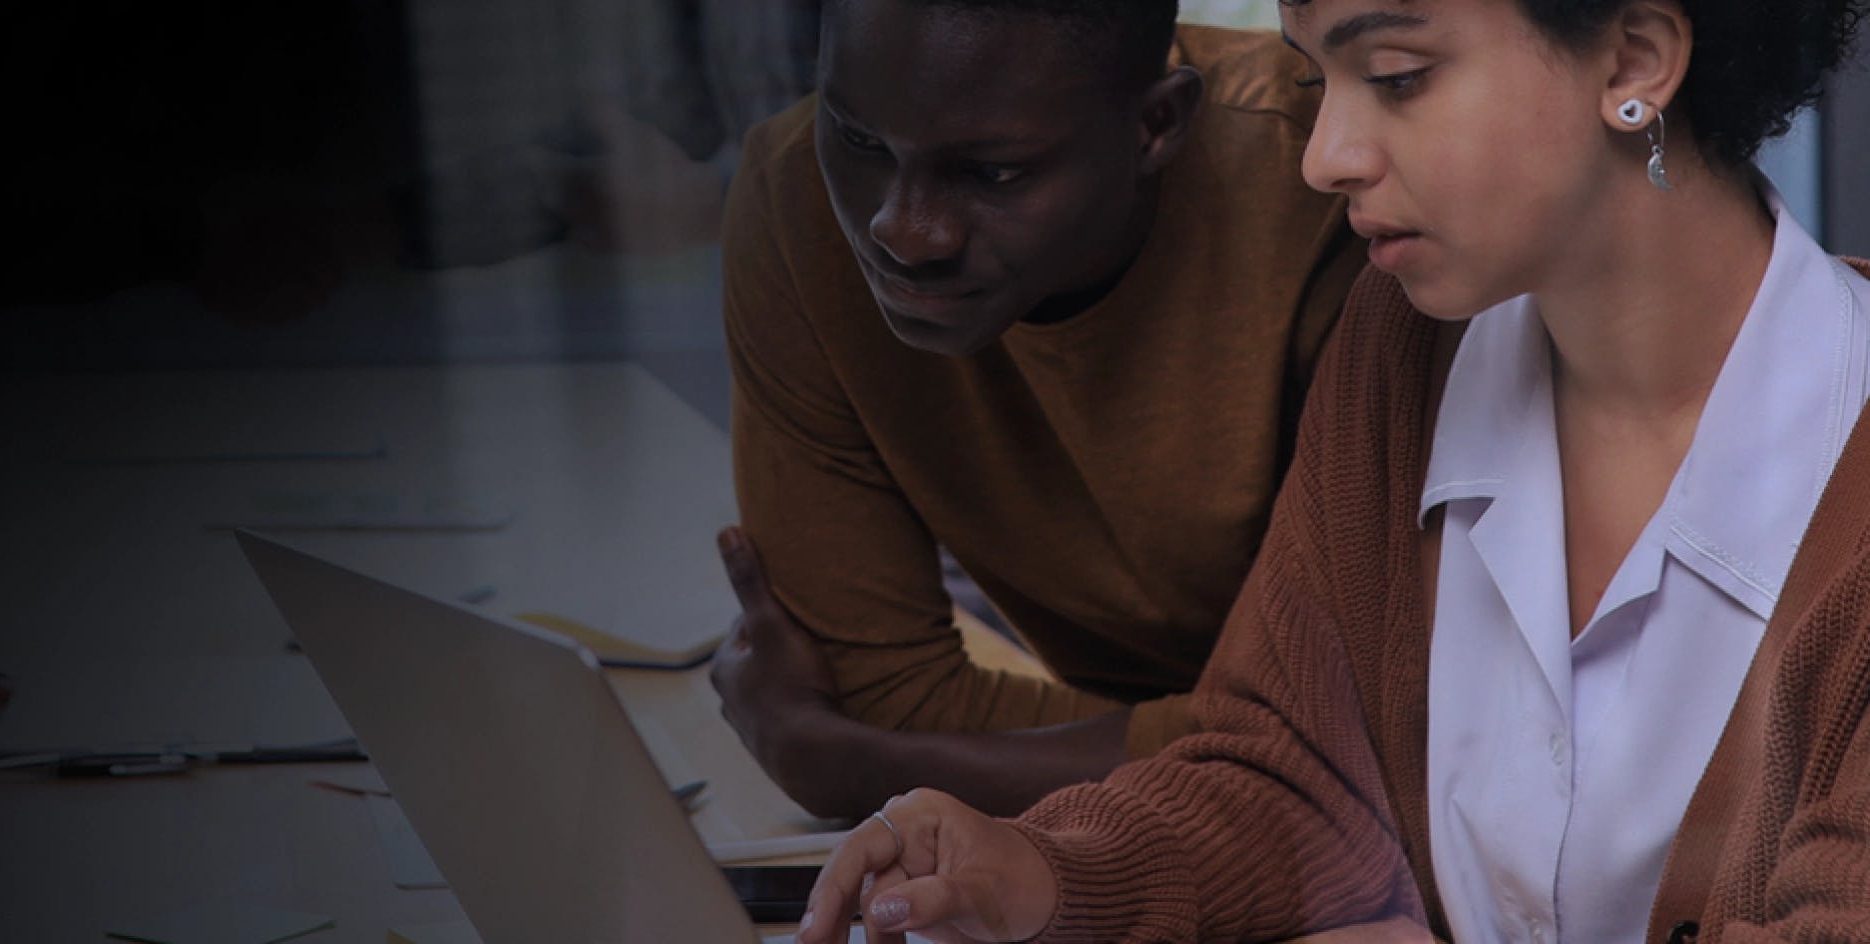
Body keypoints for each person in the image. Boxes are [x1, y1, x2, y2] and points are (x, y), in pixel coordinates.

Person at [792, 0, 1869, 940]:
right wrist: (1038, 872)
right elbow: (1291, 772)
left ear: (1634, 62)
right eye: (1315, 79)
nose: (1326, 156)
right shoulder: (1403, 347)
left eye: (1397, 77)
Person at [712, 0, 1364, 818]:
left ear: (1156, 127)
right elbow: (875, 694)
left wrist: (869, 769)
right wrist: (1245, 744)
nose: (904, 233)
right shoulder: (791, 199)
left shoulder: (1337, 186)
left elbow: (1372, 728)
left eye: (993, 174)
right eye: (859, 140)